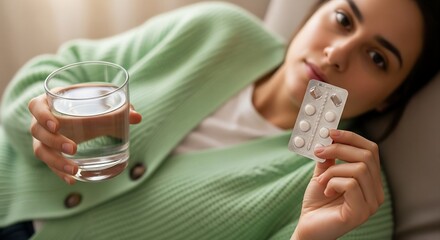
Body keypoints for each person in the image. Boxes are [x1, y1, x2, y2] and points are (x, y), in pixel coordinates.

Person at [0, 0, 438, 239]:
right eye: (343, 19)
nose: (338, 54)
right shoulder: (218, 30)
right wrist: (41, 119)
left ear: (390, 98)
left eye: (377, 58)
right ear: (312, 12)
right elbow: (47, 77)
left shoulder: (351, 201)